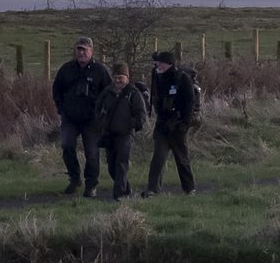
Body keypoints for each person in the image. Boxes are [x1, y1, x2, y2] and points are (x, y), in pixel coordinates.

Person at [51, 35, 109, 197]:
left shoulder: (100, 71)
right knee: (67, 146)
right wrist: (61, 108)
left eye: (84, 50)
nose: (81, 53)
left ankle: (91, 185)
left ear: (91, 51)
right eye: (78, 50)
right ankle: (74, 179)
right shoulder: (67, 69)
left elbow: (109, 93)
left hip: (92, 120)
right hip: (70, 118)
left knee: (92, 152)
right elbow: (57, 90)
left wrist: (102, 113)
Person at [89, 61, 148, 199]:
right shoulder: (106, 92)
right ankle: (126, 190)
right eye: (115, 77)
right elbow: (97, 110)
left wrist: (130, 124)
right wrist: (101, 124)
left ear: (127, 78)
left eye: (121, 77)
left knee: (121, 165)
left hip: (125, 135)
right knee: (111, 168)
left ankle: (118, 195)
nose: (117, 80)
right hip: (108, 135)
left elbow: (141, 114)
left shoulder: (133, 93)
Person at [146, 47, 201, 195]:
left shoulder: (182, 78)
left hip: (178, 125)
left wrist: (184, 124)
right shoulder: (158, 77)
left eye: (161, 63)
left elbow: (189, 102)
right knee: (158, 156)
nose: (158, 66)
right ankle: (152, 189)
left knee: (181, 158)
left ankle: (189, 188)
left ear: (169, 63)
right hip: (163, 123)